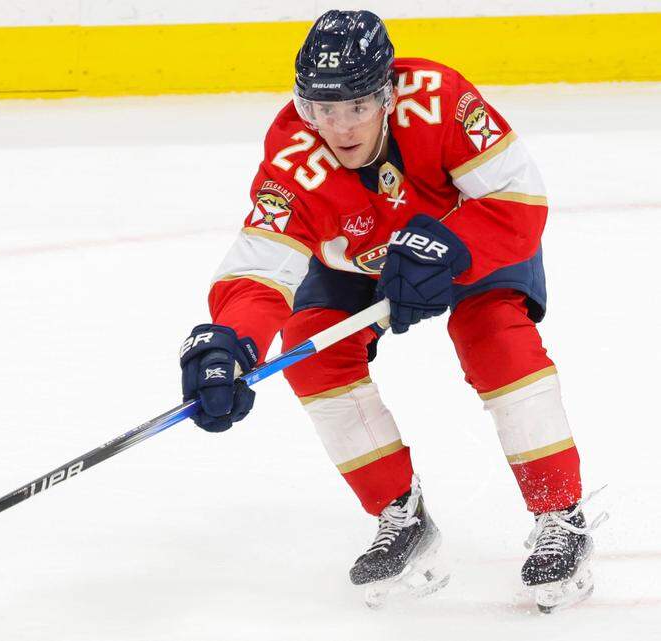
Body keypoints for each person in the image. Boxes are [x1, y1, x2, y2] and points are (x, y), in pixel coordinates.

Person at [177, 9, 604, 612]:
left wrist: (447, 248)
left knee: (495, 339)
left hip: (470, 244)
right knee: (312, 352)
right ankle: (400, 517)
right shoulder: (293, 156)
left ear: (388, 92)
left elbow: (516, 199)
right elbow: (260, 266)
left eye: (356, 106)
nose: (340, 126)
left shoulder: (440, 99)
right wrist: (230, 342)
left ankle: (561, 518)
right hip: (358, 262)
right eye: (323, 108)